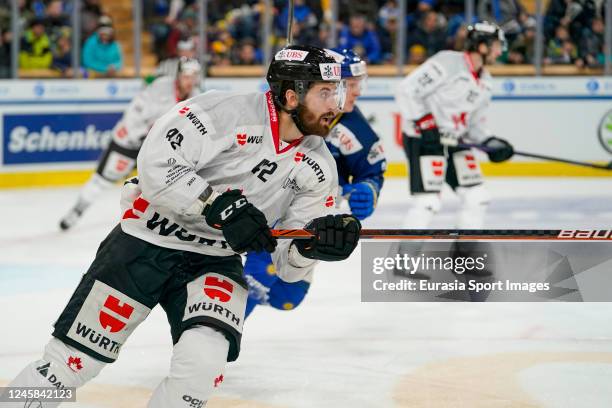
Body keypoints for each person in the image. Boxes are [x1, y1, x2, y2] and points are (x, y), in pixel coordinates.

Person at [5, 44, 361, 407]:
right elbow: (157, 164)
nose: (337, 104)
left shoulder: (319, 166)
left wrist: (312, 248)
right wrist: (217, 205)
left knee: (202, 368)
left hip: (214, 261)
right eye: (326, 93)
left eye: (339, 92)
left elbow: (288, 265)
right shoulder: (222, 112)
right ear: (290, 96)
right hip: (144, 243)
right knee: (68, 364)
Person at [243, 49, 385, 318]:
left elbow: (372, 172)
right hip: (265, 206)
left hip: (308, 212)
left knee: (287, 297)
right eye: (351, 85)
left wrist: (369, 190)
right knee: (257, 277)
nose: (357, 92)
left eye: (358, 85)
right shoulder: (283, 112)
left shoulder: (357, 129)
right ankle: (217, 340)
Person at [395, 21, 514, 231]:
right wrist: (427, 125)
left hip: (455, 140)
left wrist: (490, 142)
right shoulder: (447, 62)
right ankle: (403, 262)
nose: (500, 50)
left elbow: (473, 125)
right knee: (427, 203)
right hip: (424, 140)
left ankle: (464, 257)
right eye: (496, 45)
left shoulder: (486, 81)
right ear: (482, 46)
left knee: (477, 197)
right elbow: (407, 90)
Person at [59, 57, 202, 230]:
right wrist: (140, 136)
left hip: (156, 148)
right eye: (187, 76)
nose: (190, 81)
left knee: (160, 186)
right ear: (178, 75)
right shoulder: (160, 87)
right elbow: (135, 112)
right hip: (129, 141)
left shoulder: (196, 96)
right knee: (102, 180)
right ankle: (77, 210)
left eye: (194, 76)